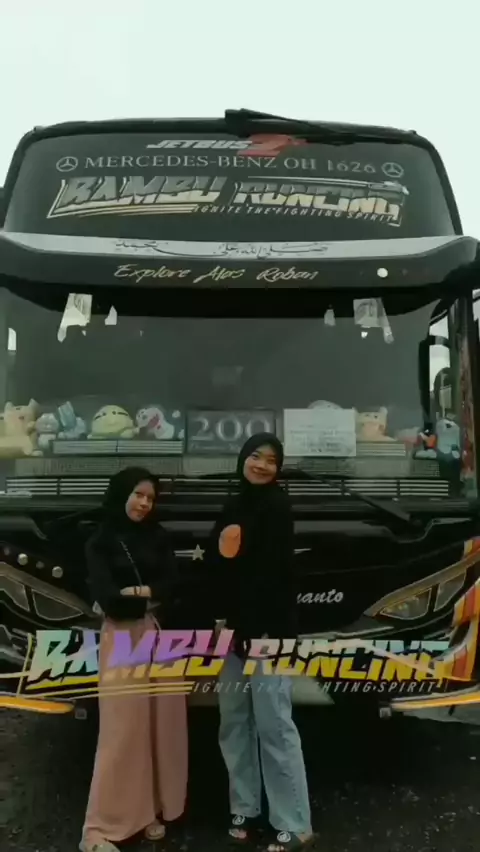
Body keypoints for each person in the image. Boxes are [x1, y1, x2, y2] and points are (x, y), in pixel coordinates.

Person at [207, 433, 315, 852]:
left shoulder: (277, 506)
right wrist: (221, 619)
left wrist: (267, 630)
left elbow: (275, 575)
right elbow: (218, 568)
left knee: (275, 726)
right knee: (234, 723)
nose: (262, 466)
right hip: (232, 634)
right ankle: (245, 809)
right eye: (256, 456)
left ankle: (295, 822)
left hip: (269, 633)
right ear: (242, 459)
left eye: (271, 461)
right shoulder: (233, 505)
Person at [80, 467, 188, 852]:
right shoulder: (100, 541)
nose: (144, 504)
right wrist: (150, 594)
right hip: (123, 636)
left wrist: (138, 591)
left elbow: (175, 587)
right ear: (121, 494)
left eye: (150, 498)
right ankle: (99, 829)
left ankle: (149, 812)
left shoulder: (157, 535)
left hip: (160, 634)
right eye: (138, 495)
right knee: (123, 731)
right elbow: (110, 600)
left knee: (162, 726)